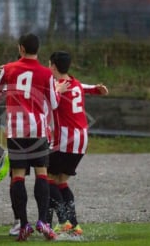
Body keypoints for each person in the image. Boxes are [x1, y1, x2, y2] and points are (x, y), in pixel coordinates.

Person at [0, 33, 59, 241]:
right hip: (38, 130)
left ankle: (23, 224)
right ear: (37, 49)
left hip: (15, 130)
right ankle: (42, 220)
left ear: (21, 49)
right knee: (42, 173)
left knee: (18, 176)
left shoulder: (8, 69)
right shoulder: (46, 73)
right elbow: (55, 103)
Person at [46, 51, 108, 237]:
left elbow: (45, 101)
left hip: (65, 140)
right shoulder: (76, 84)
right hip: (81, 141)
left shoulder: (56, 87)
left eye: (49, 64)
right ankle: (74, 225)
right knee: (61, 181)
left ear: (54, 67)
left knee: (48, 180)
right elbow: (86, 87)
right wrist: (97, 89)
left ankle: (63, 220)